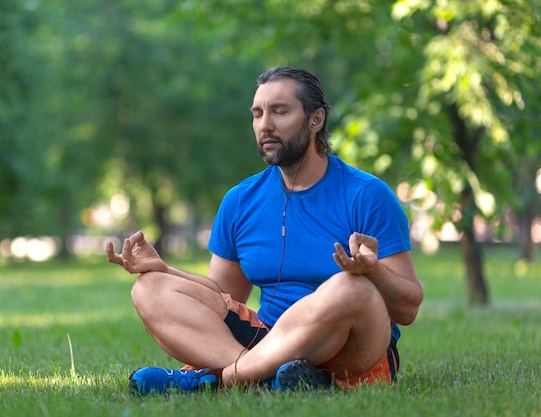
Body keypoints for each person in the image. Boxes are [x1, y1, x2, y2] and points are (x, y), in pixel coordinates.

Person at [106, 66, 424, 395]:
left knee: (349, 288)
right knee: (149, 288)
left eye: (279, 112)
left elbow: (408, 309)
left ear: (316, 120)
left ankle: (223, 380)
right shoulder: (240, 200)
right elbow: (223, 297)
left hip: (352, 349)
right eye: (258, 114)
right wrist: (165, 270)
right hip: (267, 337)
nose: (265, 125)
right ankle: (270, 379)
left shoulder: (367, 195)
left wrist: (372, 272)